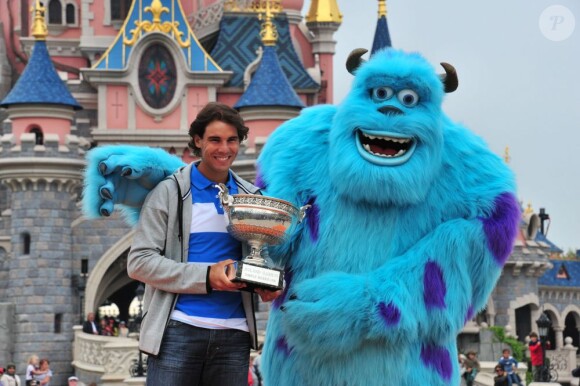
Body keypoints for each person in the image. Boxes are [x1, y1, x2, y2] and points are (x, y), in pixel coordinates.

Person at [126, 102, 280, 386]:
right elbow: (139, 262)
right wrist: (207, 277)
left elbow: (262, 255)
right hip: (178, 331)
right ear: (197, 141)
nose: (224, 148)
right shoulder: (169, 193)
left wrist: (266, 282)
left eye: (232, 140)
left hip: (234, 336)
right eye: (215, 140)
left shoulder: (252, 196)